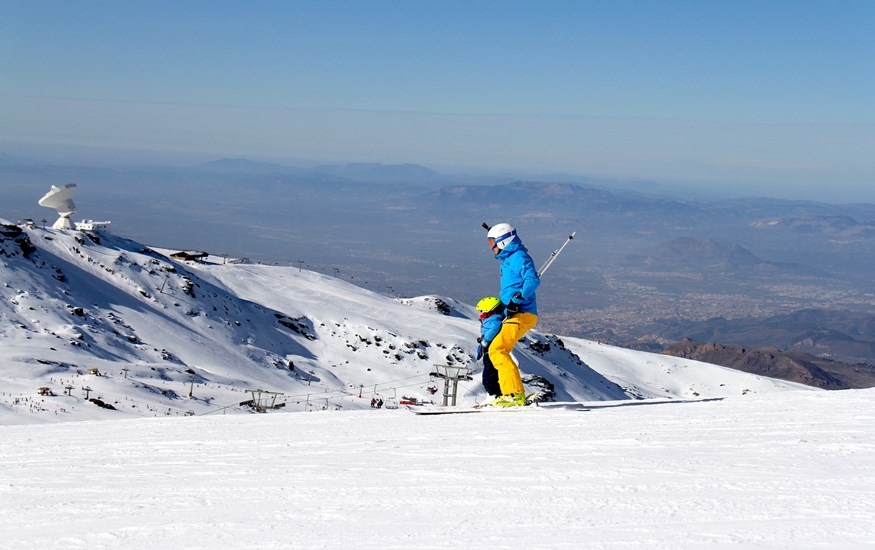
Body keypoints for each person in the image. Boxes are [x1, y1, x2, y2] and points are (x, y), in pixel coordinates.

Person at [485, 222, 540, 407]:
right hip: (516, 313)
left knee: (498, 350)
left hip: (523, 313)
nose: (491, 247)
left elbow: (532, 280)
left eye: (492, 242)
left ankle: (514, 395)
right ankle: (511, 393)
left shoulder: (519, 257)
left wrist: (517, 299)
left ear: (503, 241)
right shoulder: (509, 259)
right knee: (497, 349)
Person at [475, 296, 504, 398]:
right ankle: (495, 395)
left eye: (482, 311)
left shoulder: (494, 320)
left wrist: (485, 341)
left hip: (491, 351)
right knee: (490, 376)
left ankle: (495, 395)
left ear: (489, 310)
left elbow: (494, 329)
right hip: (489, 351)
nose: (481, 314)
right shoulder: (491, 320)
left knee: (489, 377)